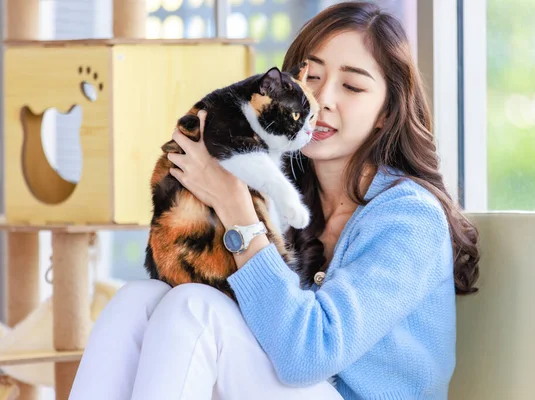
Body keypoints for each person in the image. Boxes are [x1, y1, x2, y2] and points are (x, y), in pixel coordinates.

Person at [69, 2, 480, 399]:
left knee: (195, 309)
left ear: (386, 113)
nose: (321, 101)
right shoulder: (290, 188)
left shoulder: (410, 217)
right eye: (311, 78)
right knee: (138, 301)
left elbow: (307, 355)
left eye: (352, 86)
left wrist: (236, 209)